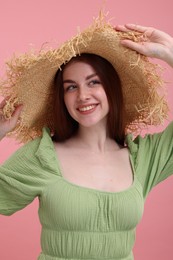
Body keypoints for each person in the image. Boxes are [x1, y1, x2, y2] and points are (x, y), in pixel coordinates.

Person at [0, 15, 173, 260]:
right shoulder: (42, 156)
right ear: (62, 98)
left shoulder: (143, 159)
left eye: (94, 82)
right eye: (71, 87)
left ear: (111, 89)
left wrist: (170, 53)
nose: (83, 95)